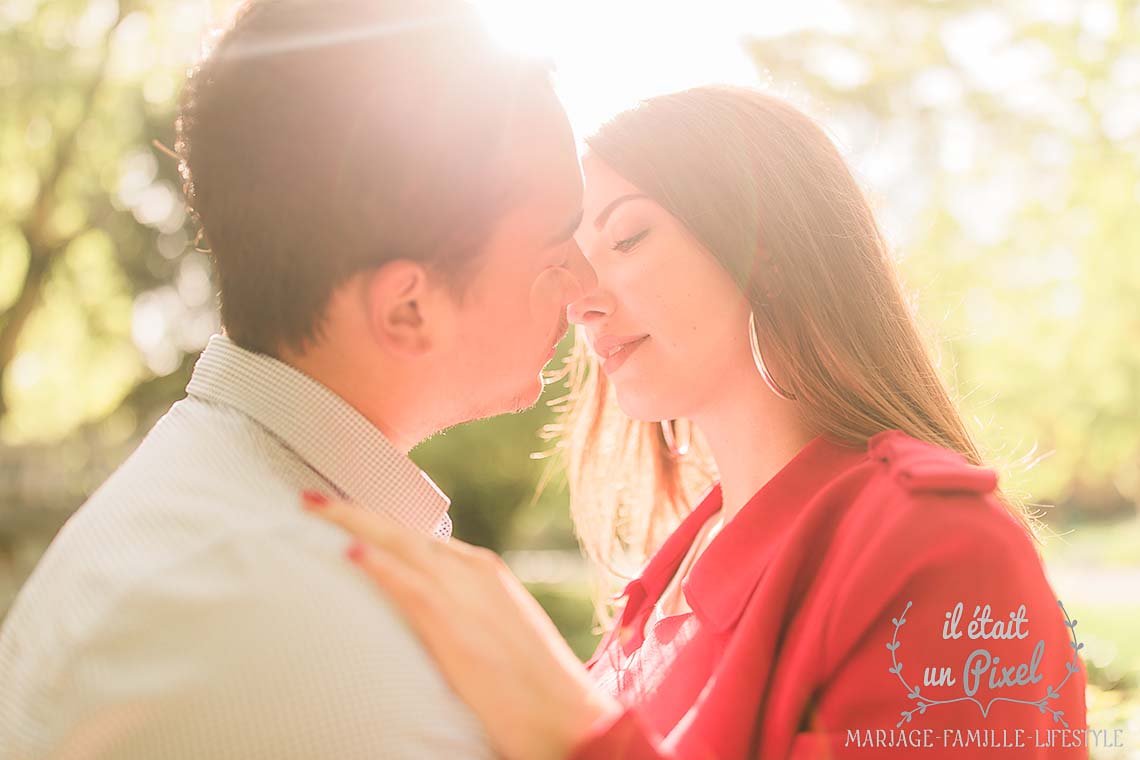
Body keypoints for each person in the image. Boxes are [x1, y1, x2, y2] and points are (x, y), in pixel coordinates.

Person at [307, 86, 1090, 759]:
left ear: (769, 249)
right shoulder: (665, 579)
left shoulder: (937, 546)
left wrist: (571, 729)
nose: (581, 298)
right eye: (573, 260)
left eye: (629, 236)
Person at [0, 0, 590, 757]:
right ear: (408, 310)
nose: (586, 284)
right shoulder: (305, 634)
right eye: (558, 248)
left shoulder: (214, 502)